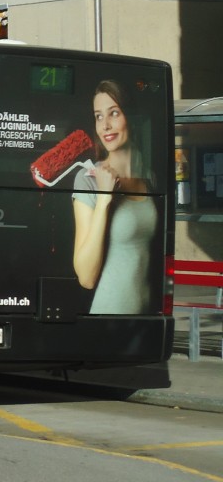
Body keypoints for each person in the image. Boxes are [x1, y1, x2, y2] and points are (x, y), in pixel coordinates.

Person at [71, 80, 158, 314]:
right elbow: (86, 277)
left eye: (114, 113)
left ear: (131, 116)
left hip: (147, 318)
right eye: (99, 116)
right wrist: (104, 199)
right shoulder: (87, 179)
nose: (105, 125)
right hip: (109, 318)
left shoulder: (149, 177)